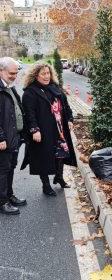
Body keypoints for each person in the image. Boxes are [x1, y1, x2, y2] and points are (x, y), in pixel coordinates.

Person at [21, 62, 77, 196]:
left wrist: (69, 119)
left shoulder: (54, 87)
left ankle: (59, 177)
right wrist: (35, 130)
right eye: (43, 74)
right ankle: (45, 185)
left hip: (59, 129)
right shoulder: (30, 92)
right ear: (35, 76)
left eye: (48, 73)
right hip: (43, 130)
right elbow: (29, 113)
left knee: (60, 153)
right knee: (43, 157)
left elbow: (65, 105)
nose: (47, 76)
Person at [0, 57, 27, 215]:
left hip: (14, 137)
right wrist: (1, 137)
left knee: (10, 168)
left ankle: (9, 195)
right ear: (1, 71)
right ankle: (3, 202)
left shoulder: (9, 87)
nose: (14, 76)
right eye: (11, 73)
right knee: (3, 170)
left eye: (16, 73)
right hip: (4, 139)